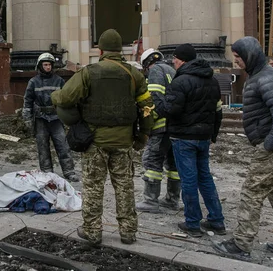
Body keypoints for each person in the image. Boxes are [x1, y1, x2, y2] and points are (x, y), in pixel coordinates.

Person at [51, 29, 154, 246]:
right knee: (124, 187)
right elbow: (147, 107)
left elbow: (67, 97)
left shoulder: (89, 72)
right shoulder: (134, 75)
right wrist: (143, 135)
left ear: (100, 50)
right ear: (120, 50)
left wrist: (54, 96)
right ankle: (128, 232)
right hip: (124, 142)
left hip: (95, 143)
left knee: (93, 187)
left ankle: (92, 231)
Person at [214, 37, 273, 260]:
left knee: (251, 192)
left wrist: (268, 146)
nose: (236, 61)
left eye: (238, 57)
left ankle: (241, 244)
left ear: (250, 55)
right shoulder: (259, 75)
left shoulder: (267, 77)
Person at [156, 43, 224, 238]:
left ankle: (192, 223)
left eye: (175, 59)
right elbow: (218, 111)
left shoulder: (181, 81)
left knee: (188, 180)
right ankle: (216, 220)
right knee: (205, 178)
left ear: (181, 60)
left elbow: (171, 110)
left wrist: (158, 103)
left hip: (183, 138)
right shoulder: (212, 80)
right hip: (203, 137)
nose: (173, 62)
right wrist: (213, 135)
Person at [135, 48, 180, 213]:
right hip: (175, 127)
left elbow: (153, 100)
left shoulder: (155, 72)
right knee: (173, 164)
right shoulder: (172, 70)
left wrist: (146, 124)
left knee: (152, 161)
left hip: (161, 126)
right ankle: (173, 200)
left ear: (147, 65)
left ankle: (150, 200)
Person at [23, 52, 78, 182]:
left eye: (49, 65)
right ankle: (47, 173)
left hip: (56, 118)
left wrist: (69, 117)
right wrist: (27, 119)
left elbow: (65, 100)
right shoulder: (33, 82)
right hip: (40, 119)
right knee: (43, 147)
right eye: (45, 64)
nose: (48, 67)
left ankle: (69, 172)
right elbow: (27, 101)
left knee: (63, 146)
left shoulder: (59, 81)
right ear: (40, 66)